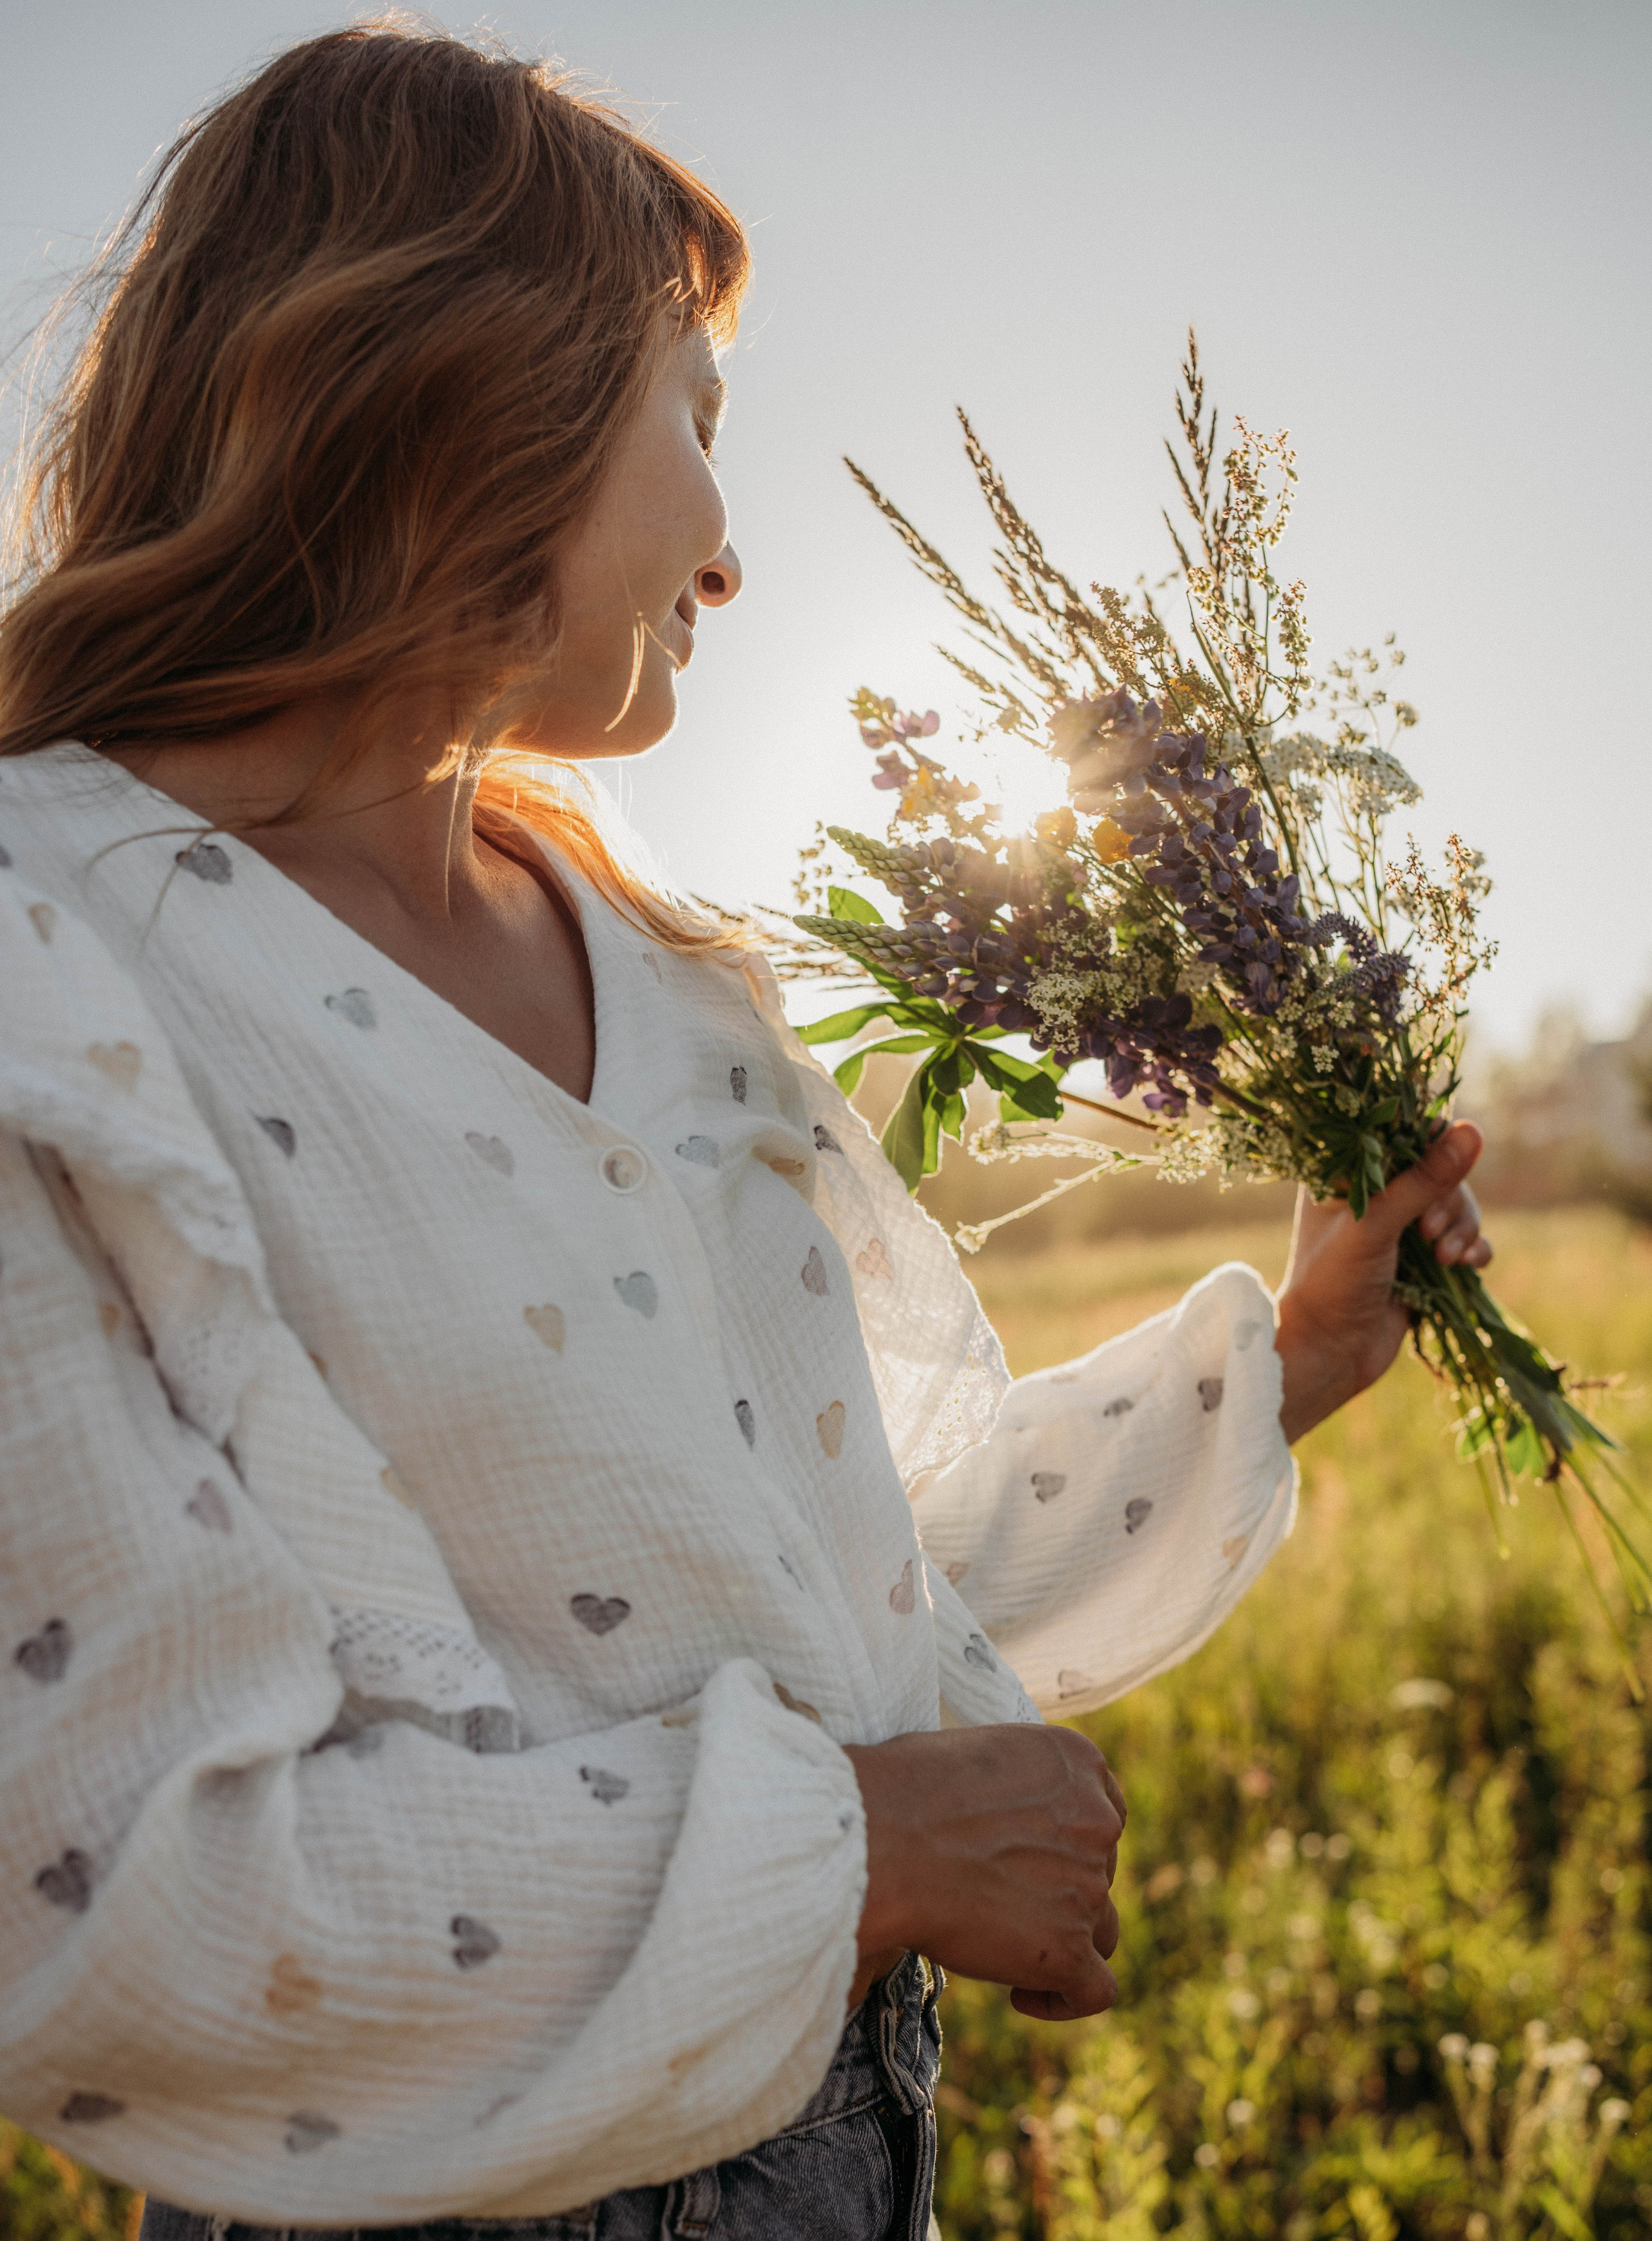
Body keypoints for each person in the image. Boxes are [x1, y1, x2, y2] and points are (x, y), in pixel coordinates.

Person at [0, 23, 1490, 2241]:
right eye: (698, 420)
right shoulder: (62, 970)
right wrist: (870, 1848)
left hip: (840, 2127)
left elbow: (840, 1550)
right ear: (473, 401)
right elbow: (108, 1902)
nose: (728, 553)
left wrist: (1286, 1356)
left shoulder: (663, 974)